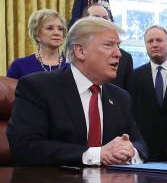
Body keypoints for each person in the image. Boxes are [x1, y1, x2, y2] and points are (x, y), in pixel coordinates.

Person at [7, 17, 147, 166]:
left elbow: (139, 143)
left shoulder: (120, 97)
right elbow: (25, 148)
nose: (118, 53)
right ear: (80, 51)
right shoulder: (37, 87)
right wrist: (97, 154)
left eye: (118, 46)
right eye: (109, 45)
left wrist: (131, 151)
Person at [128, 25, 167, 161]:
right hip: (146, 150)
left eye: (159, 40)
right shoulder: (135, 76)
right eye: (150, 41)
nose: (154, 44)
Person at [82, 3, 133, 90]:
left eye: (105, 18)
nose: (102, 22)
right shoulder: (77, 51)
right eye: (96, 18)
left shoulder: (124, 58)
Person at [7, 9, 68, 78]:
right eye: (50, 28)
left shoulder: (72, 66)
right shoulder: (19, 66)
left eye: (60, 29)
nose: (57, 33)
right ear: (37, 35)